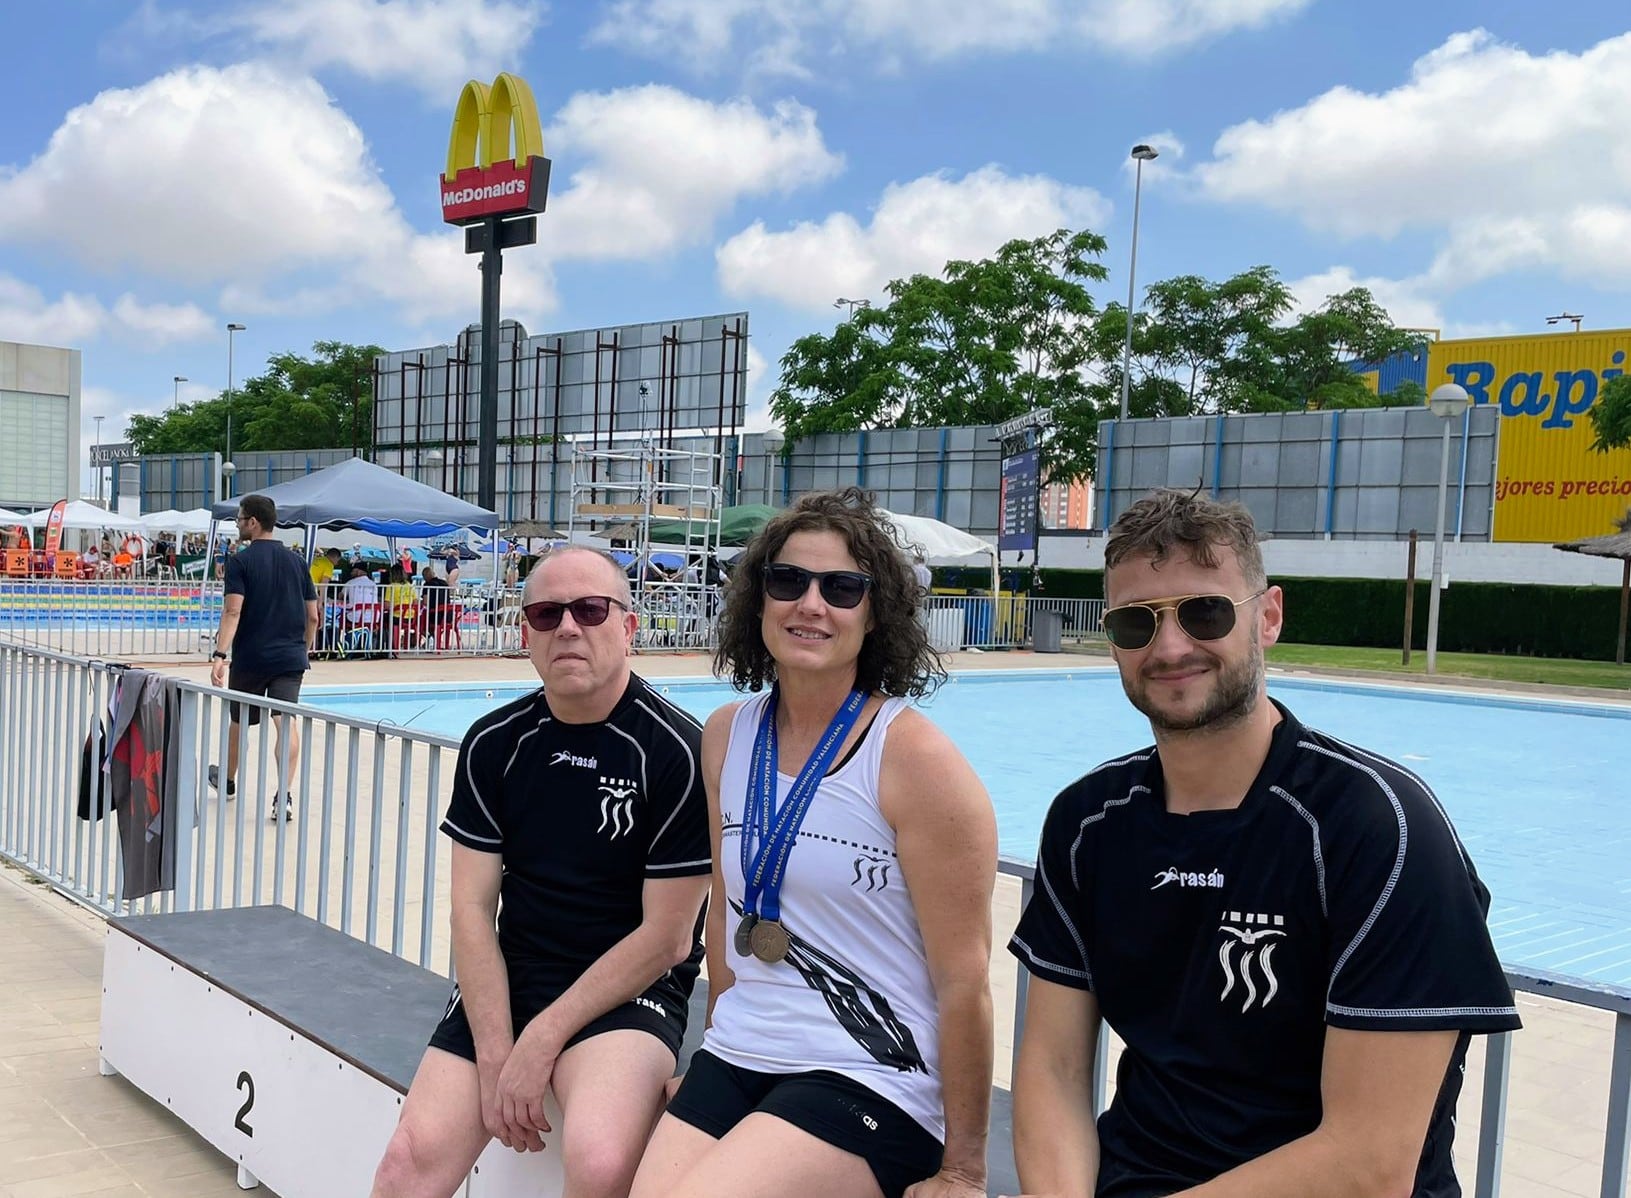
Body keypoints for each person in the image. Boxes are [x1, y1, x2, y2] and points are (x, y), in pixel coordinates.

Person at [1005, 488, 1520, 1198]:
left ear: (1267, 616)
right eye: (1135, 623)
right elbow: (1054, 1072)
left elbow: (1370, 1161)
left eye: (1204, 611)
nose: (1170, 646)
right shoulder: (1088, 820)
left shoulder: (1376, 826)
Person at [630, 487, 998, 1198]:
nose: (810, 604)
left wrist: (964, 1168)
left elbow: (965, 980)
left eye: (842, 588)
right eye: (788, 580)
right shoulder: (727, 736)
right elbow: (727, 914)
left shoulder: (914, 761)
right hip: (744, 1049)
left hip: (868, 1070)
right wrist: (712, 1050)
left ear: (875, 613)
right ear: (758, 599)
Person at [370, 547, 711, 1198]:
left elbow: (667, 939)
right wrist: (498, 1049)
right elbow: (470, 909)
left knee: (601, 1159)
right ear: (524, 632)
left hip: (626, 993)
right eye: (546, 613)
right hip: (515, 974)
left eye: (589, 609)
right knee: (406, 1164)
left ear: (628, 626)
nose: (568, 628)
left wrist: (541, 1041)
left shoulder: (677, 752)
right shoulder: (495, 741)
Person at [208, 494, 320, 823]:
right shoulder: (297, 562)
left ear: (253, 522)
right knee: (285, 723)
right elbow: (312, 616)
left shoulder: (240, 562)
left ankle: (227, 781)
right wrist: (304, 647)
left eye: (240, 519)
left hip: (251, 657)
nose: (238, 525)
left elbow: (232, 610)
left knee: (240, 720)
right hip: (289, 657)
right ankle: (283, 795)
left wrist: (219, 654)